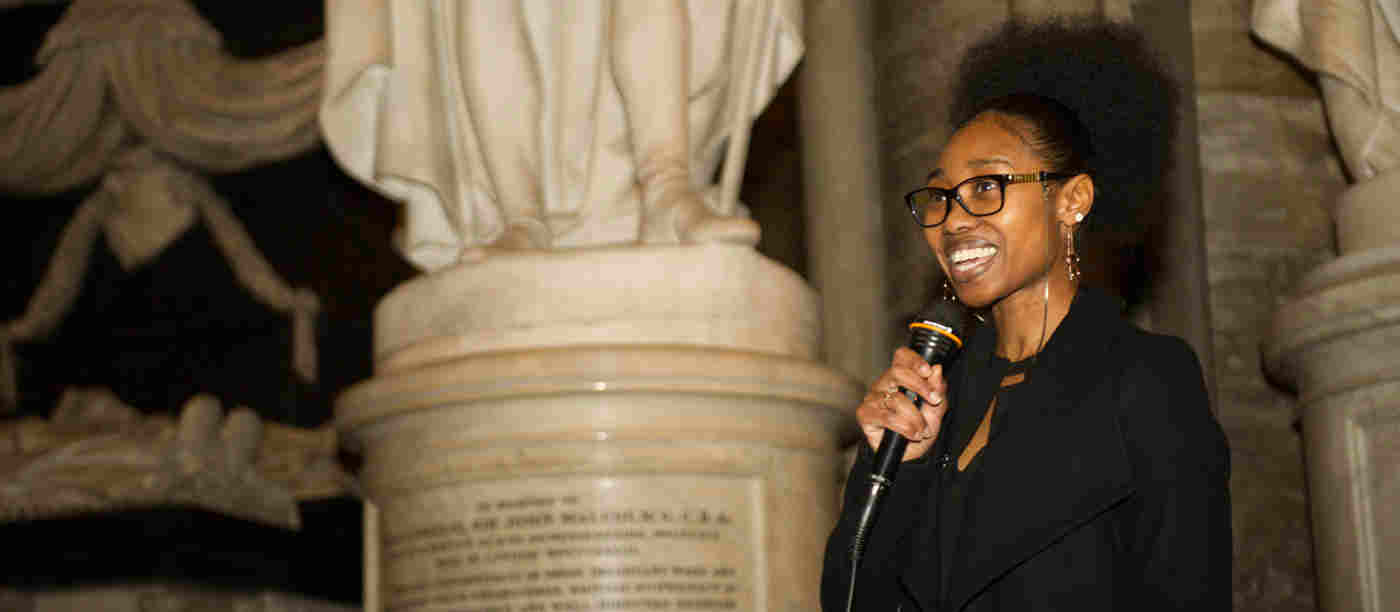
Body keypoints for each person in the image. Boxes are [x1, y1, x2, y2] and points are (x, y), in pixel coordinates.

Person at [821, 18, 1232, 611]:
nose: (955, 219)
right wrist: (894, 472)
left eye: (986, 186)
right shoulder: (930, 400)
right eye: (940, 196)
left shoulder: (1145, 381)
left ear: (1072, 200)